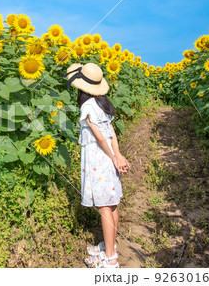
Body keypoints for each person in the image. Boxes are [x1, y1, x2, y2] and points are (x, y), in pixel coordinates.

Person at [64, 62, 130, 268]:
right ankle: (110, 246)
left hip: (98, 160)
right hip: (108, 159)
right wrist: (117, 155)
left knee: (103, 207)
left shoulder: (87, 106)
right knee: (112, 204)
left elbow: (101, 138)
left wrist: (112, 156)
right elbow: (112, 133)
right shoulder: (103, 103)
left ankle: (110, 259)